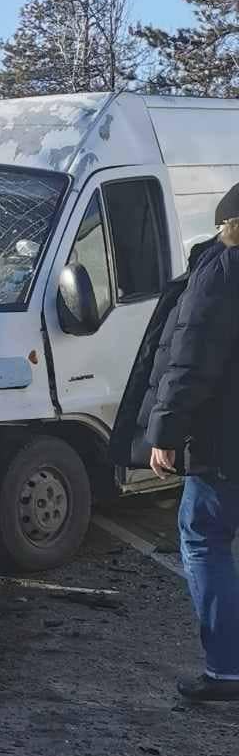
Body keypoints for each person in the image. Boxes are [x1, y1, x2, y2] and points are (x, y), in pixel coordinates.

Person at [144, 182, 239, 702]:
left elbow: (191, 360)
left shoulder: (223, 270)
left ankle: (226, 670)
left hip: (224, 446)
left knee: (204, 539)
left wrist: (166, 432)